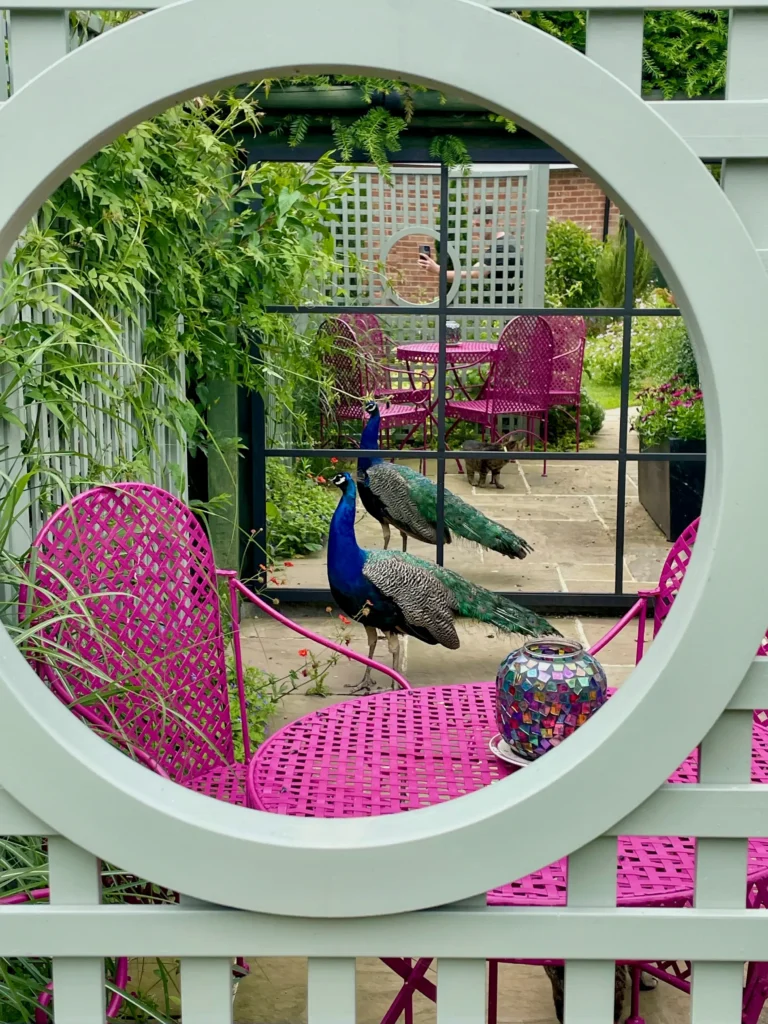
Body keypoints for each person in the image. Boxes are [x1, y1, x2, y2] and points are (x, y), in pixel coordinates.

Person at [417, 203, 523, 302]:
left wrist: (437, 269)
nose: (475, 229)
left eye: (477, 225)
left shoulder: (502, 247)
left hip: (509, 310)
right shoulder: (507, 241)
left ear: (490, 223)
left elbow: (474, 274)